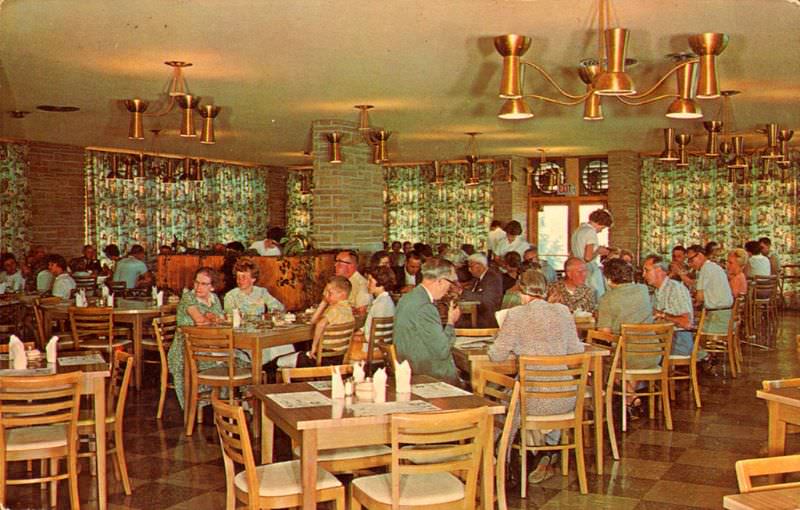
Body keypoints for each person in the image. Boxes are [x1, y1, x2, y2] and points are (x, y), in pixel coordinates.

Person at [488, 269, 584, 484]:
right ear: (546, 289)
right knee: (523, 393)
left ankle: (501, 458)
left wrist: (507, 342)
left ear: (521, 291)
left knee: (500, 397)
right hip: (565, 399)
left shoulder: (516, 314)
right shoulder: (562, 311)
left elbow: (497, 355)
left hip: (532, 402)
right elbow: (575, 351)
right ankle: (545, 452)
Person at [394, 257, 461, 384]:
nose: (449, 288)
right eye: (450, 283)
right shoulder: (425, 307)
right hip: (428, 375)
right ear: (440, 281)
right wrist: (451, 322)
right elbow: (442, 351)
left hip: (409, 367)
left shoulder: (407, 298)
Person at [167, 267, 226, 410]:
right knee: (225, 363)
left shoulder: (215, 299)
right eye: (197, 282)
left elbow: (221, 319)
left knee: (238, 361)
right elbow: (200, 321)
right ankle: (216, 405)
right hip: (186, 351)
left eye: (204, 284)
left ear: (212, 287)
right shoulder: (189, 297)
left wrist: (213, 318)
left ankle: (225, 405)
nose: (198, 287)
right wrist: (211, 318)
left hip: (210, 346)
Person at [643, 255, 697, 357]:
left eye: (647, 270)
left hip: (678, 341)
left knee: (636, 351)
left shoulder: (675, 289)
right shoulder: (656, 292)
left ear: (659, 270)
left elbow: (687, 323)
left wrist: (662, 315)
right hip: (664, 339)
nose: (643, 275)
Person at [350, 266, 397, 362]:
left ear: (381, 283)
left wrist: (353, 337)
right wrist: (359, 331)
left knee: (345, 348)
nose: (367, 284)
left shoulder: (380, 305)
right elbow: (371, 327)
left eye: (370, 281)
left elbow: (373, 338)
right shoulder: (386, 301)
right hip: (380, 346)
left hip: (374, 349)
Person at [686, 244, 733, 334]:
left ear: (699, 255)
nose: (690, 264)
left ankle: (696, 348)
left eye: (691, 260)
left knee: (686, 329)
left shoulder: (705, 269)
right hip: (726, 316)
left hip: (718, 319)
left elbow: (699, 298)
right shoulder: (713, 266)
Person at [571, 208, 613, 299]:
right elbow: (588, 257)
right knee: (597, 298)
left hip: (578, 267)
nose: (601, 230)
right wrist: (598, 251)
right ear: (599, 223)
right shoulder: (590, 232)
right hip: (589, 269)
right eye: (603, 227)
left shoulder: (578, 230)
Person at [459, 253, 503, 328]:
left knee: (457, 323)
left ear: (479, 266)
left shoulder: (492, 278)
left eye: (471, 267)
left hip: (486, 318)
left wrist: (462, 292)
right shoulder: (477, 278)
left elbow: (486, 300)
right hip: (477, 314)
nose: (469, 270)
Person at [334, 250, 371, 316]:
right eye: (336, 261)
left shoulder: (361, 284)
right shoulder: (341, 281)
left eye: (339, 262)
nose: (335, 265)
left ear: (351, 266)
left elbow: (361, 313)